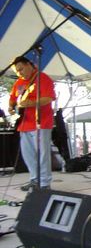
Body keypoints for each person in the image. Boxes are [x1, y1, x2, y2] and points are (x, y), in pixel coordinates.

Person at [8, 56, 56, 191]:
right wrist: (11, 107)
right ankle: (35, 179)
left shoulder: (42, 78)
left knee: (42, 153)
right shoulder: (18, 83)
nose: (20, 73)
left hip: (41, 122)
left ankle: (45, 183)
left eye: (21, 69)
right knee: (28, 154)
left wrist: (32, 103)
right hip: (24, 123)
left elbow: (48, 98)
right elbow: (12, 98)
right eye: (17, 71)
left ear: (29, 64)